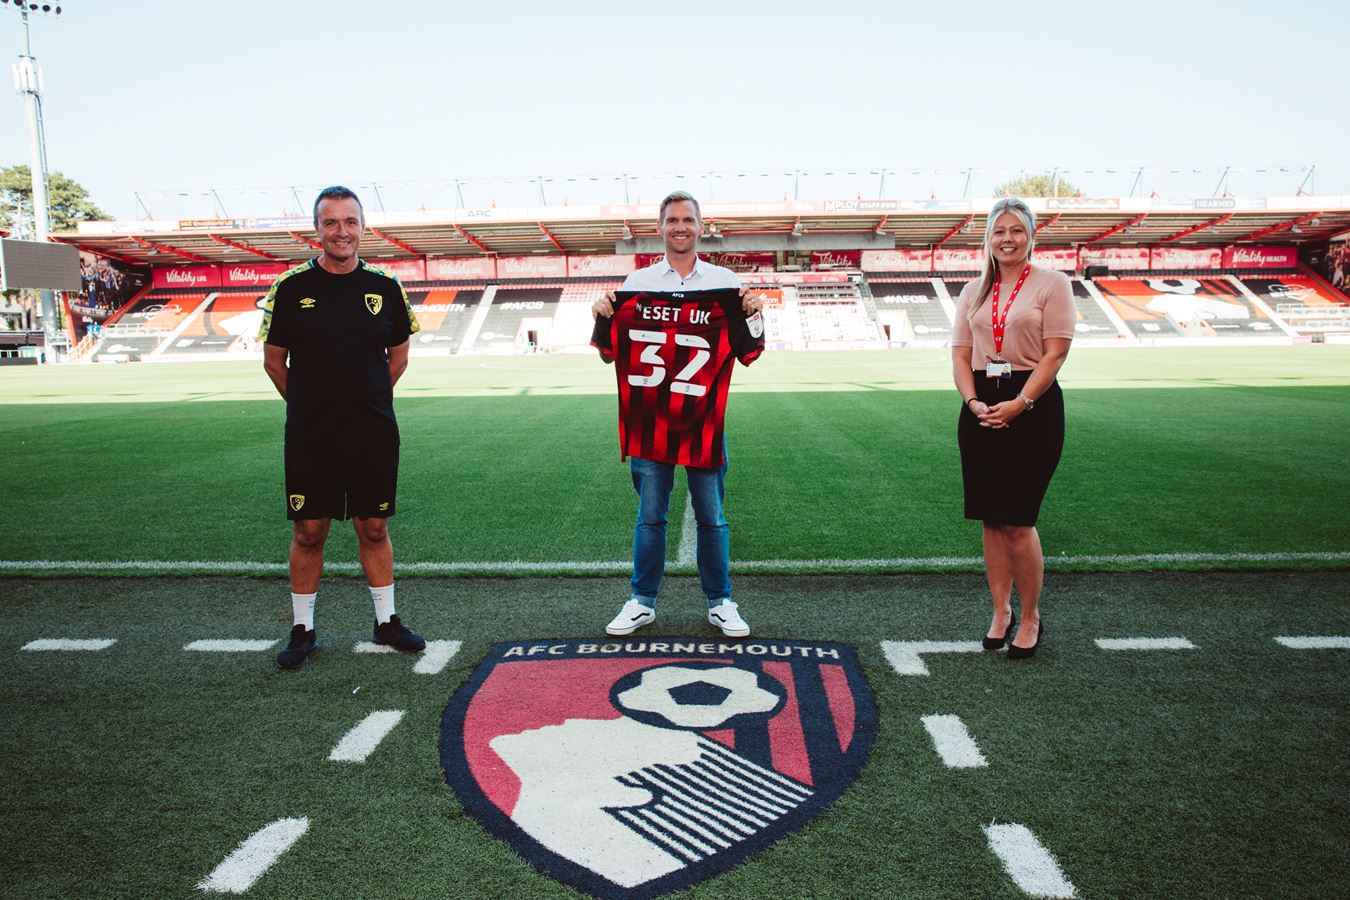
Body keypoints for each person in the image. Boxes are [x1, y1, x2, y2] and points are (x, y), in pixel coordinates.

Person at [259, 186, 426, 669]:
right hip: (311, 434)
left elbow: (399, 356)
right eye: (330, 222)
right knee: (309, 530)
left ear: (362, 227)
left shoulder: (385, 287)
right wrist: (315, 407)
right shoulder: (289, 288)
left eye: (349, 221)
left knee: (373, 526)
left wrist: (365, 402)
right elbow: (274, 363)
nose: (341, 231)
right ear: (317, 229)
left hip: (373, 432)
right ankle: (303, 628)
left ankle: (386, 622)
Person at [591, 191, 766, 638]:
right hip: (652, 423)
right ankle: (641, 601)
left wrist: (754, 315)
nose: (680, 227)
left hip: (704, 422)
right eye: (672, 220)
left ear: (701, 226)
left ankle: (721, 601)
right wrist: (600, 316)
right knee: (650, 516)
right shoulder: (635, 285)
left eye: (688, 219)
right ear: (661, 227)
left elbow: (750, 352)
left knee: (712, 515)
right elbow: (610, 355)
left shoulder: (725, 283)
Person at [951, 197, 1074, 660]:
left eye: (1016, 230)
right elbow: (961, 356)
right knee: (990, 517)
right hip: (981, 403)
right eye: (999, 230)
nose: (1007, 238)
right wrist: (973, 401)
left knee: (1019, 520)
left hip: (1033, 404)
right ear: (988, 237)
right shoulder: (972, 291)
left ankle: (1030, 617)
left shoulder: (1052, 284)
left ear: (1031, 235)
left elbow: (1055, 354)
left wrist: (1020, 404)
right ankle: (1000, 612)